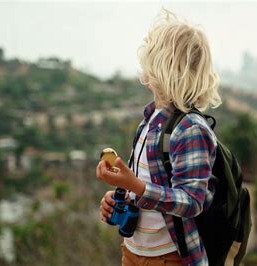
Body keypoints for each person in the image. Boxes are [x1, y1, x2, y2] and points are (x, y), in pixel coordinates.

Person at [96, 9, 221, 266]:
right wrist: (119, 198)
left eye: (149, 66)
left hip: (170, 258)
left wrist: (137, 187)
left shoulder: (190, 129)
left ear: (162, 72)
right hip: (132, 251)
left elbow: (192, 201)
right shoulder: (151, 119)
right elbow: (145, 182)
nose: (144, 74)